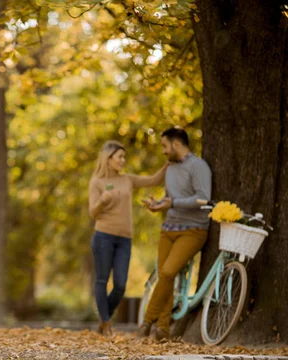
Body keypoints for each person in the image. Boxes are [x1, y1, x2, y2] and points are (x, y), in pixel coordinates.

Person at [138, 127, 212, 341]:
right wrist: (158, 204)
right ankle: (162, 330)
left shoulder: (198, 167)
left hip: (194, 230)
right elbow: (170, 198)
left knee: (168, 273)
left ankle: (146, 322)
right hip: (169, 229)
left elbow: (203, 198)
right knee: (164, 278)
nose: (163, 151)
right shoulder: (170, 168)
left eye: (164, 146)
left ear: (176, 144)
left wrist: (174, 203)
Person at [89, 140, 168, 336]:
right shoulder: (96, 182)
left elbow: (154, 180)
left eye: (124, 157)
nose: (123, 161)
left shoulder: (128, 180)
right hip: (103, 236)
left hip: (124, 239)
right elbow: (93, 212)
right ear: (108, 159)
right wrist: (103, 199)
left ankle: (104, 316)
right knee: (101, 280)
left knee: (120, 285)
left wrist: (169, 162)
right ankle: (106, 322)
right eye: (119, 157)